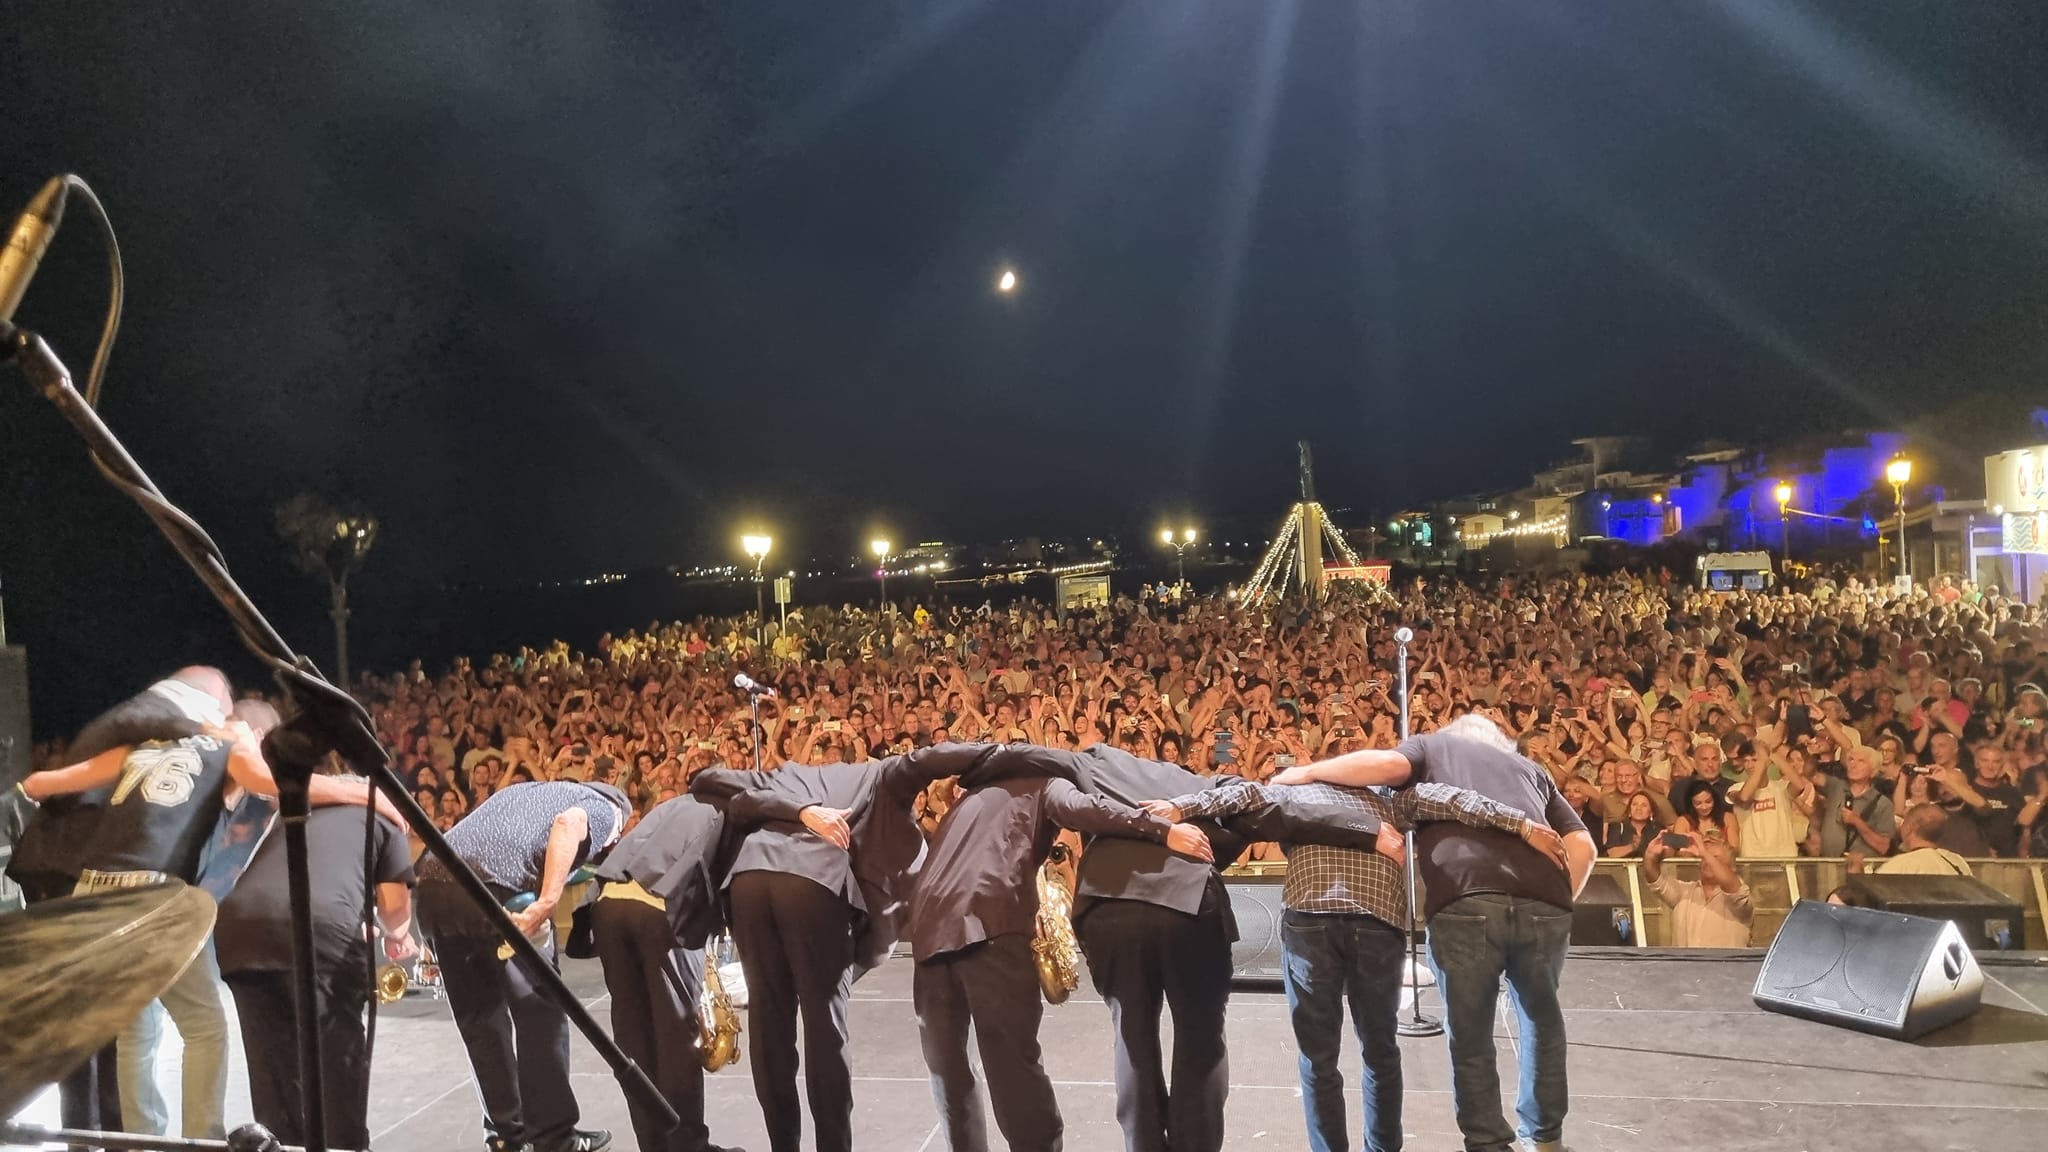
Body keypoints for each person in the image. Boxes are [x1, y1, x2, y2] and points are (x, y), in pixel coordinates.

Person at [16, 676, 386, 1140]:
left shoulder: (144, 747)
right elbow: (272, 787)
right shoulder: (234, 742)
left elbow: (40, 782)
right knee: (205, 1027)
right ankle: (203, 1141)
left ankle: (140, 1143)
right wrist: (365, 794)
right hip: (151, 891)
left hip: (92, 891)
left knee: (136, 1029)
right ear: (251, 734)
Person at [988, 741, 1401, 1152]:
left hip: (1110, 908)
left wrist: (951, 767)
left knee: (1131, 1036)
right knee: (1200, 1040)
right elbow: (1286, 813)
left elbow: (1017, 754)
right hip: (1188, 909)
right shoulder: (1219, 789)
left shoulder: (1098, 761)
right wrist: (1368, 830)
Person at [1150, 769, 1566, 1152]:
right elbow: (1456, 800)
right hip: (1376, 919)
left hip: (1311, 915)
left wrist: (1178, 808)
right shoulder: (1391, 796)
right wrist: (1523, 824)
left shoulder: (1294, 790)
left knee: (1318, 1057)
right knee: (1381, 1051)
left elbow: (1238, 794)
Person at [1274, 713, 1596, 1152]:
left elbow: (1383, 766)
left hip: (1465, 896)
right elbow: (1584, 845)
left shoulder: (1432, 748)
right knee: (1541, 1019)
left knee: (1470, 1029)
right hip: (1546, 901)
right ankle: (1544, 1139)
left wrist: (1305, 771)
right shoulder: (1532, 770)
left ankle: (1487, 1143)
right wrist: (1557, 899)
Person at [685, 744, 992, 1152]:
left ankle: (783, 1146)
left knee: (768, 1019)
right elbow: (926, 761)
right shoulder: (879, 776)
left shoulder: (785, 774)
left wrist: (793, 808)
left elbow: (704, 779)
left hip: (748, 883)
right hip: (812, 883)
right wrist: (993, 754)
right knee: (823, 1021)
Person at [908, 765, 1213, 1152]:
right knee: (1012, 1068)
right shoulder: (1045, 784)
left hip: (927, 931)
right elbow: (1094, 811)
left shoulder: (967, 799)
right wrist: (1164, 829)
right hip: (990, 926)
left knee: (948, 1071)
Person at [416, 779, 630, 1152]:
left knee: (480, 1021)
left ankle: (505, 1136)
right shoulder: (602, 806)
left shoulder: (523, 792)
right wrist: (548, 901)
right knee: (540, 1012)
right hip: (496, 892)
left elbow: (462, 839)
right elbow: (568, 825)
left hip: (431, 889)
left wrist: (429, 935)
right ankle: (554, 1137)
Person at [213, 767, 416, 1149]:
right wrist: (398, 934)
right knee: (337, 1064)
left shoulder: (289, 817)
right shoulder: (386, 819)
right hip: (319, 929)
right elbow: (393, 907)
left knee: (274, 1072)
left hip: (240, 927)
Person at [588, 792, 746, 1152]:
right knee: (677, 1039)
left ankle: (653, 1144)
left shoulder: (673, 806)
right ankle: (688, 1146)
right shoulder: (731, 815)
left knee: (635, 1037)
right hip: (661, 909)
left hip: (608, 904)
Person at [1642, 833, 1752, 948]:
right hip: (1684, 966)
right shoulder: (1684, 892)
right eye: (1704, 857)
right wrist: (1650, 856)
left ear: (1732, 868)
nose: (1707, 861)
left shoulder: (1740, 899)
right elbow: (1654, 879)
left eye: (1715, 857)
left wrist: (1704, 852)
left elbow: (1730, 884)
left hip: (1727, 966)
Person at [1875, 805, 1973, 876]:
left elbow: (1873, 893)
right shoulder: (1958, 862)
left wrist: (1859, 873)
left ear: (1909, 828)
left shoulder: (1901, 865)